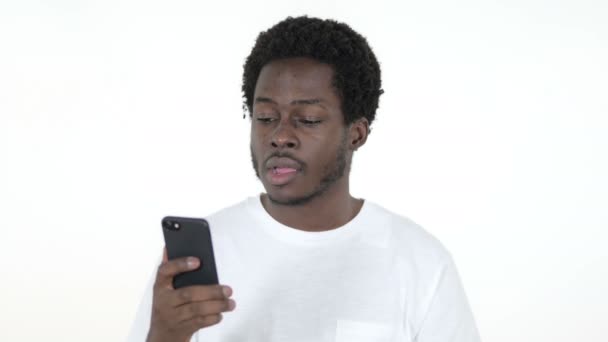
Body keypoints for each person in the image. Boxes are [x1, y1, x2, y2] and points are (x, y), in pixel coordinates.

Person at [128, 16, 481, 342]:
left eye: (308, 119)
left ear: (356, 134)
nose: (280, 136)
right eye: (265, 117)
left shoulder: (418, 261)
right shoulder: (205, 256)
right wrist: (164, 336)